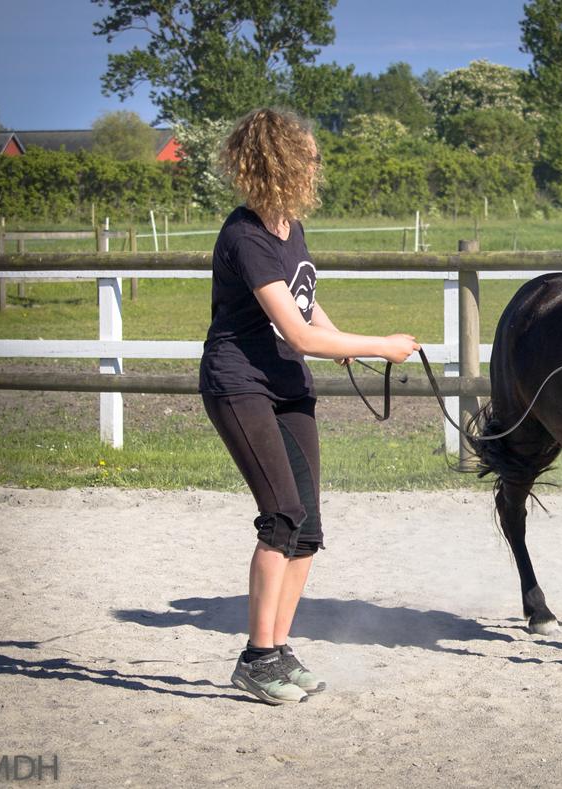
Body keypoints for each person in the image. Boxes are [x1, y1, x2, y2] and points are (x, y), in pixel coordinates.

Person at [200, 108, 420, 705]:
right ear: (280, 163)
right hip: (240, 383)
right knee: (281, 515)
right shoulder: (244, 236)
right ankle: (255, 657)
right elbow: (297, 335)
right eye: (310, 158)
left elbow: (303, 306)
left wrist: (340, 340)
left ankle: (278, 648)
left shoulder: (288, 227)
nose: (317, 167)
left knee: (307, 528)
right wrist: (379, 346)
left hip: (288, 385)